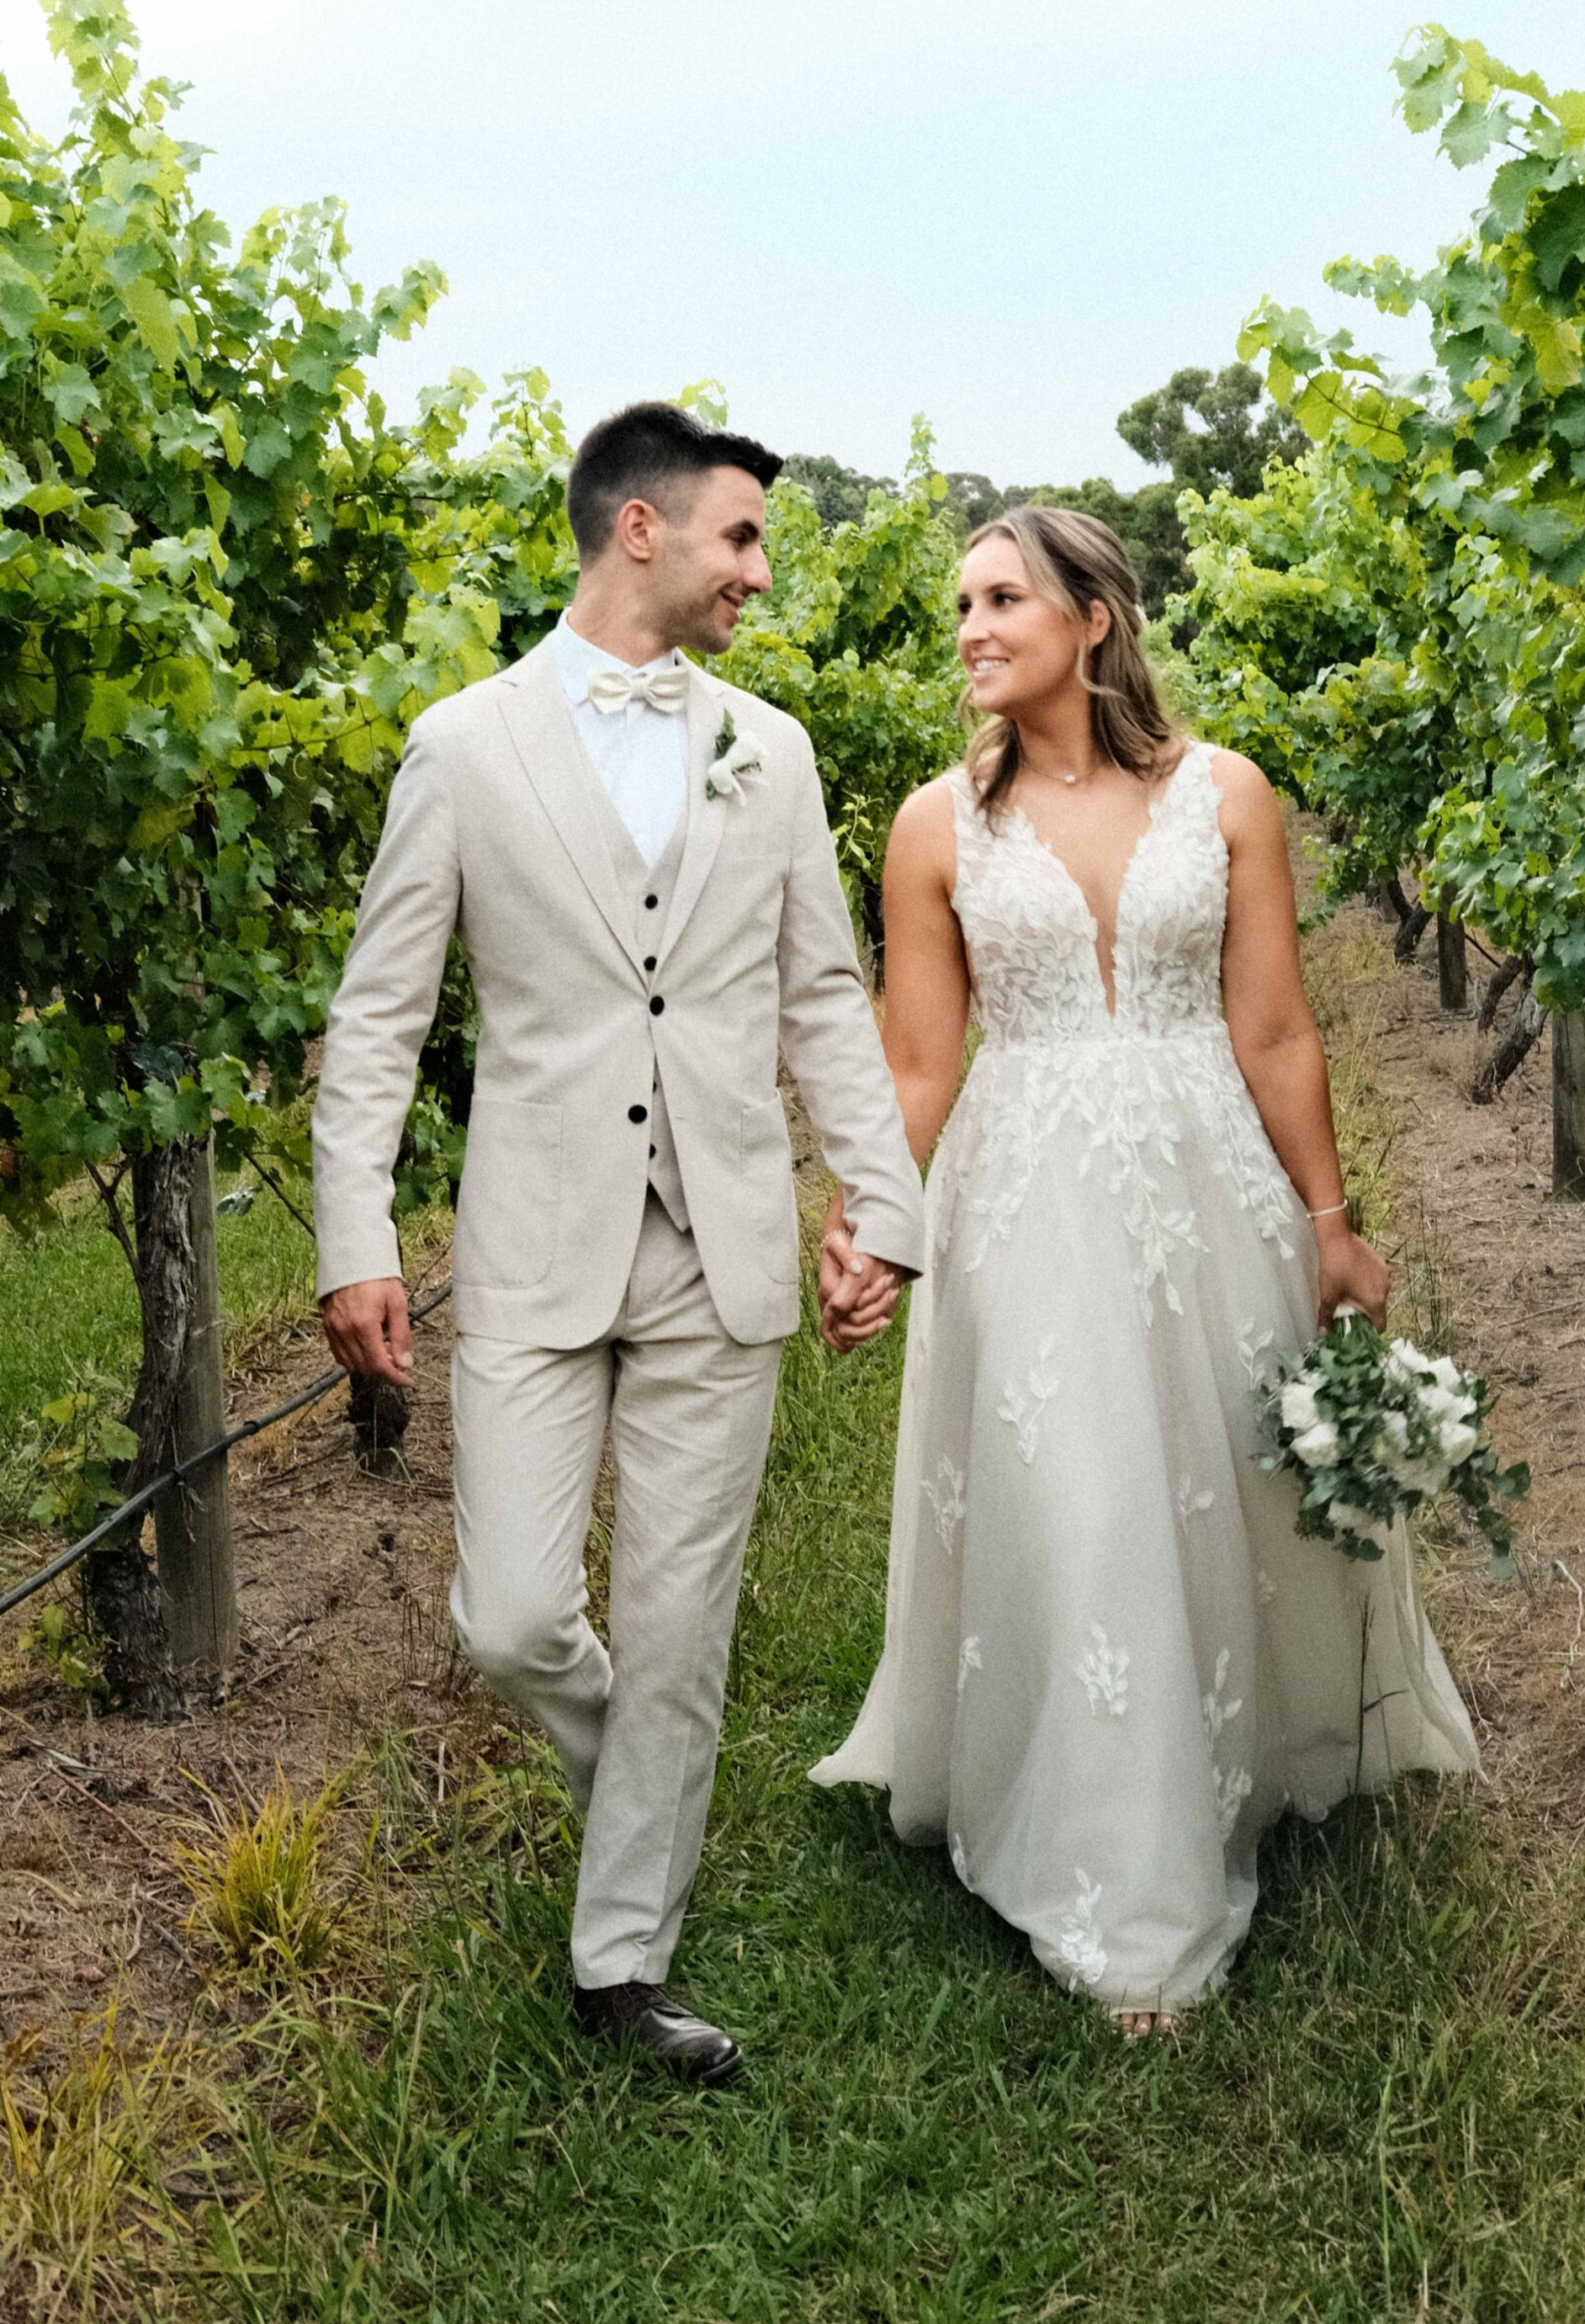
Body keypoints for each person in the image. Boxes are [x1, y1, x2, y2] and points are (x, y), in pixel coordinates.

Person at [314, 401, 922, 2085]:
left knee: (679, 1620)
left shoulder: (773, 751)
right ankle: (635, 1787)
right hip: (533, 1241)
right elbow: (379, 1019)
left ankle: (621, 1964)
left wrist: (884, 1204)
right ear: (637, 530)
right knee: (509, 1619)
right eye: (740, 537)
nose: (760, 571)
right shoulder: (464, 746)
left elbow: (820, 991)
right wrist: (352, 1236)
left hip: (722, 1237)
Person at [811, 506, 1478, 2032]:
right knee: (1089, 1495)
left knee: (1225, 1477)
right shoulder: (936, 827)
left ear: (1093, 617)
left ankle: (1249, 1756)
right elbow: (919, 1063)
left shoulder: (1227, 795)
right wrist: (876, 1226)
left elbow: (1277, 1031)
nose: (971, 627)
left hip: (1207, 1181)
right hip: (1026, 1192)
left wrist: (1328, 1221)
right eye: (960, 605)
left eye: (1002, 598)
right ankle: (1124, 1883)